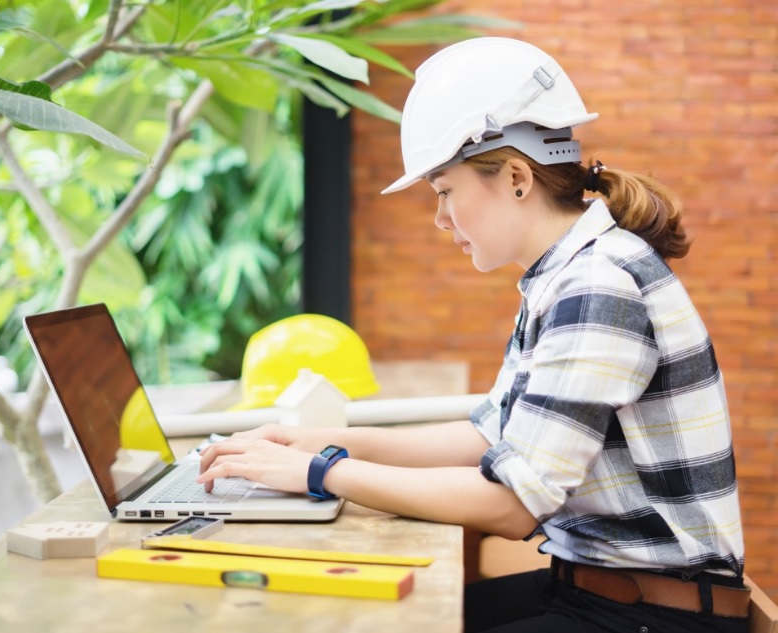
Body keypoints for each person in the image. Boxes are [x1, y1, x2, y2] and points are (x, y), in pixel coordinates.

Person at [197, 37, 748, 632]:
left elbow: (510, 506)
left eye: (444, 192)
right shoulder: (566, 274)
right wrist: (315, 441)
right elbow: (486, 435)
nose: (439, 219)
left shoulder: (598, 284)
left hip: (651, 618)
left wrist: (320, 472)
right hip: (600, 594)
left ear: (515, 176)